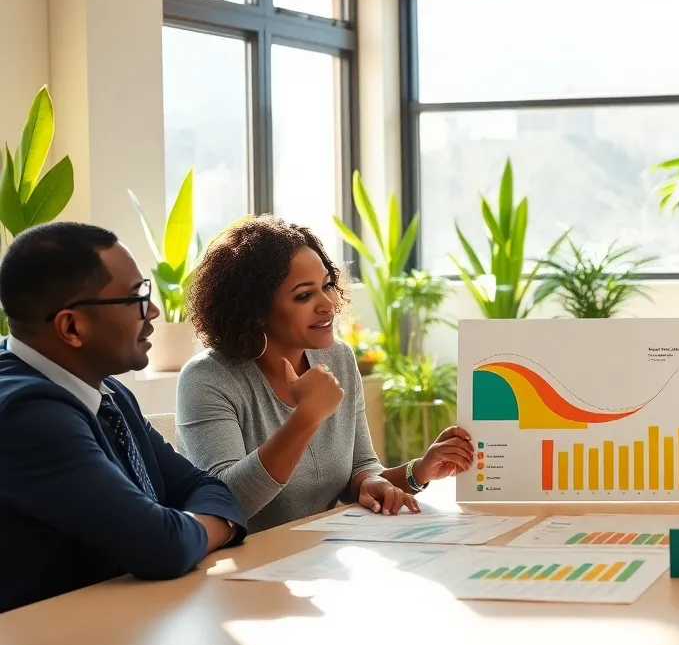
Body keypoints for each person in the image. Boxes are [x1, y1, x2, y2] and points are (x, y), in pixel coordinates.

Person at [0, 223, 247, 613]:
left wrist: (196, 526)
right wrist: (210, 526)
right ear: (72, 327)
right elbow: (160, 546)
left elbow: (203, 486)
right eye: (136, 298)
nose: (154, 311)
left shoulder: (106, 389)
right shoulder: (26, 414)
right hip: (55, 641)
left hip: (127, 620)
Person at [176, 216, 474, 532]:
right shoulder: (207, 379)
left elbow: (361, 469)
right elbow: (226, 501)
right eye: (304, 295)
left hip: (323, 550)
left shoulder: (338, 358)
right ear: (255, 310)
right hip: (246, 558)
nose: (328, 304)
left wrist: (418, 471)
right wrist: (305, 418)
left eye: (327, 285)